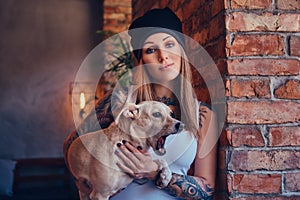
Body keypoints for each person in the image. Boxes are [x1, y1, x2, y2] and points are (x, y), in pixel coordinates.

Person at [64, 7, 217, 200]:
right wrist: (85, 184)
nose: (163, 56)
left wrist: (154, 172)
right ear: (142, 59)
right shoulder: (120, 102)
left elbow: (207, 191)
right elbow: (71, 144)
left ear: (182, 49)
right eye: (151, 50)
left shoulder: (201, 114)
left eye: (169, 44)